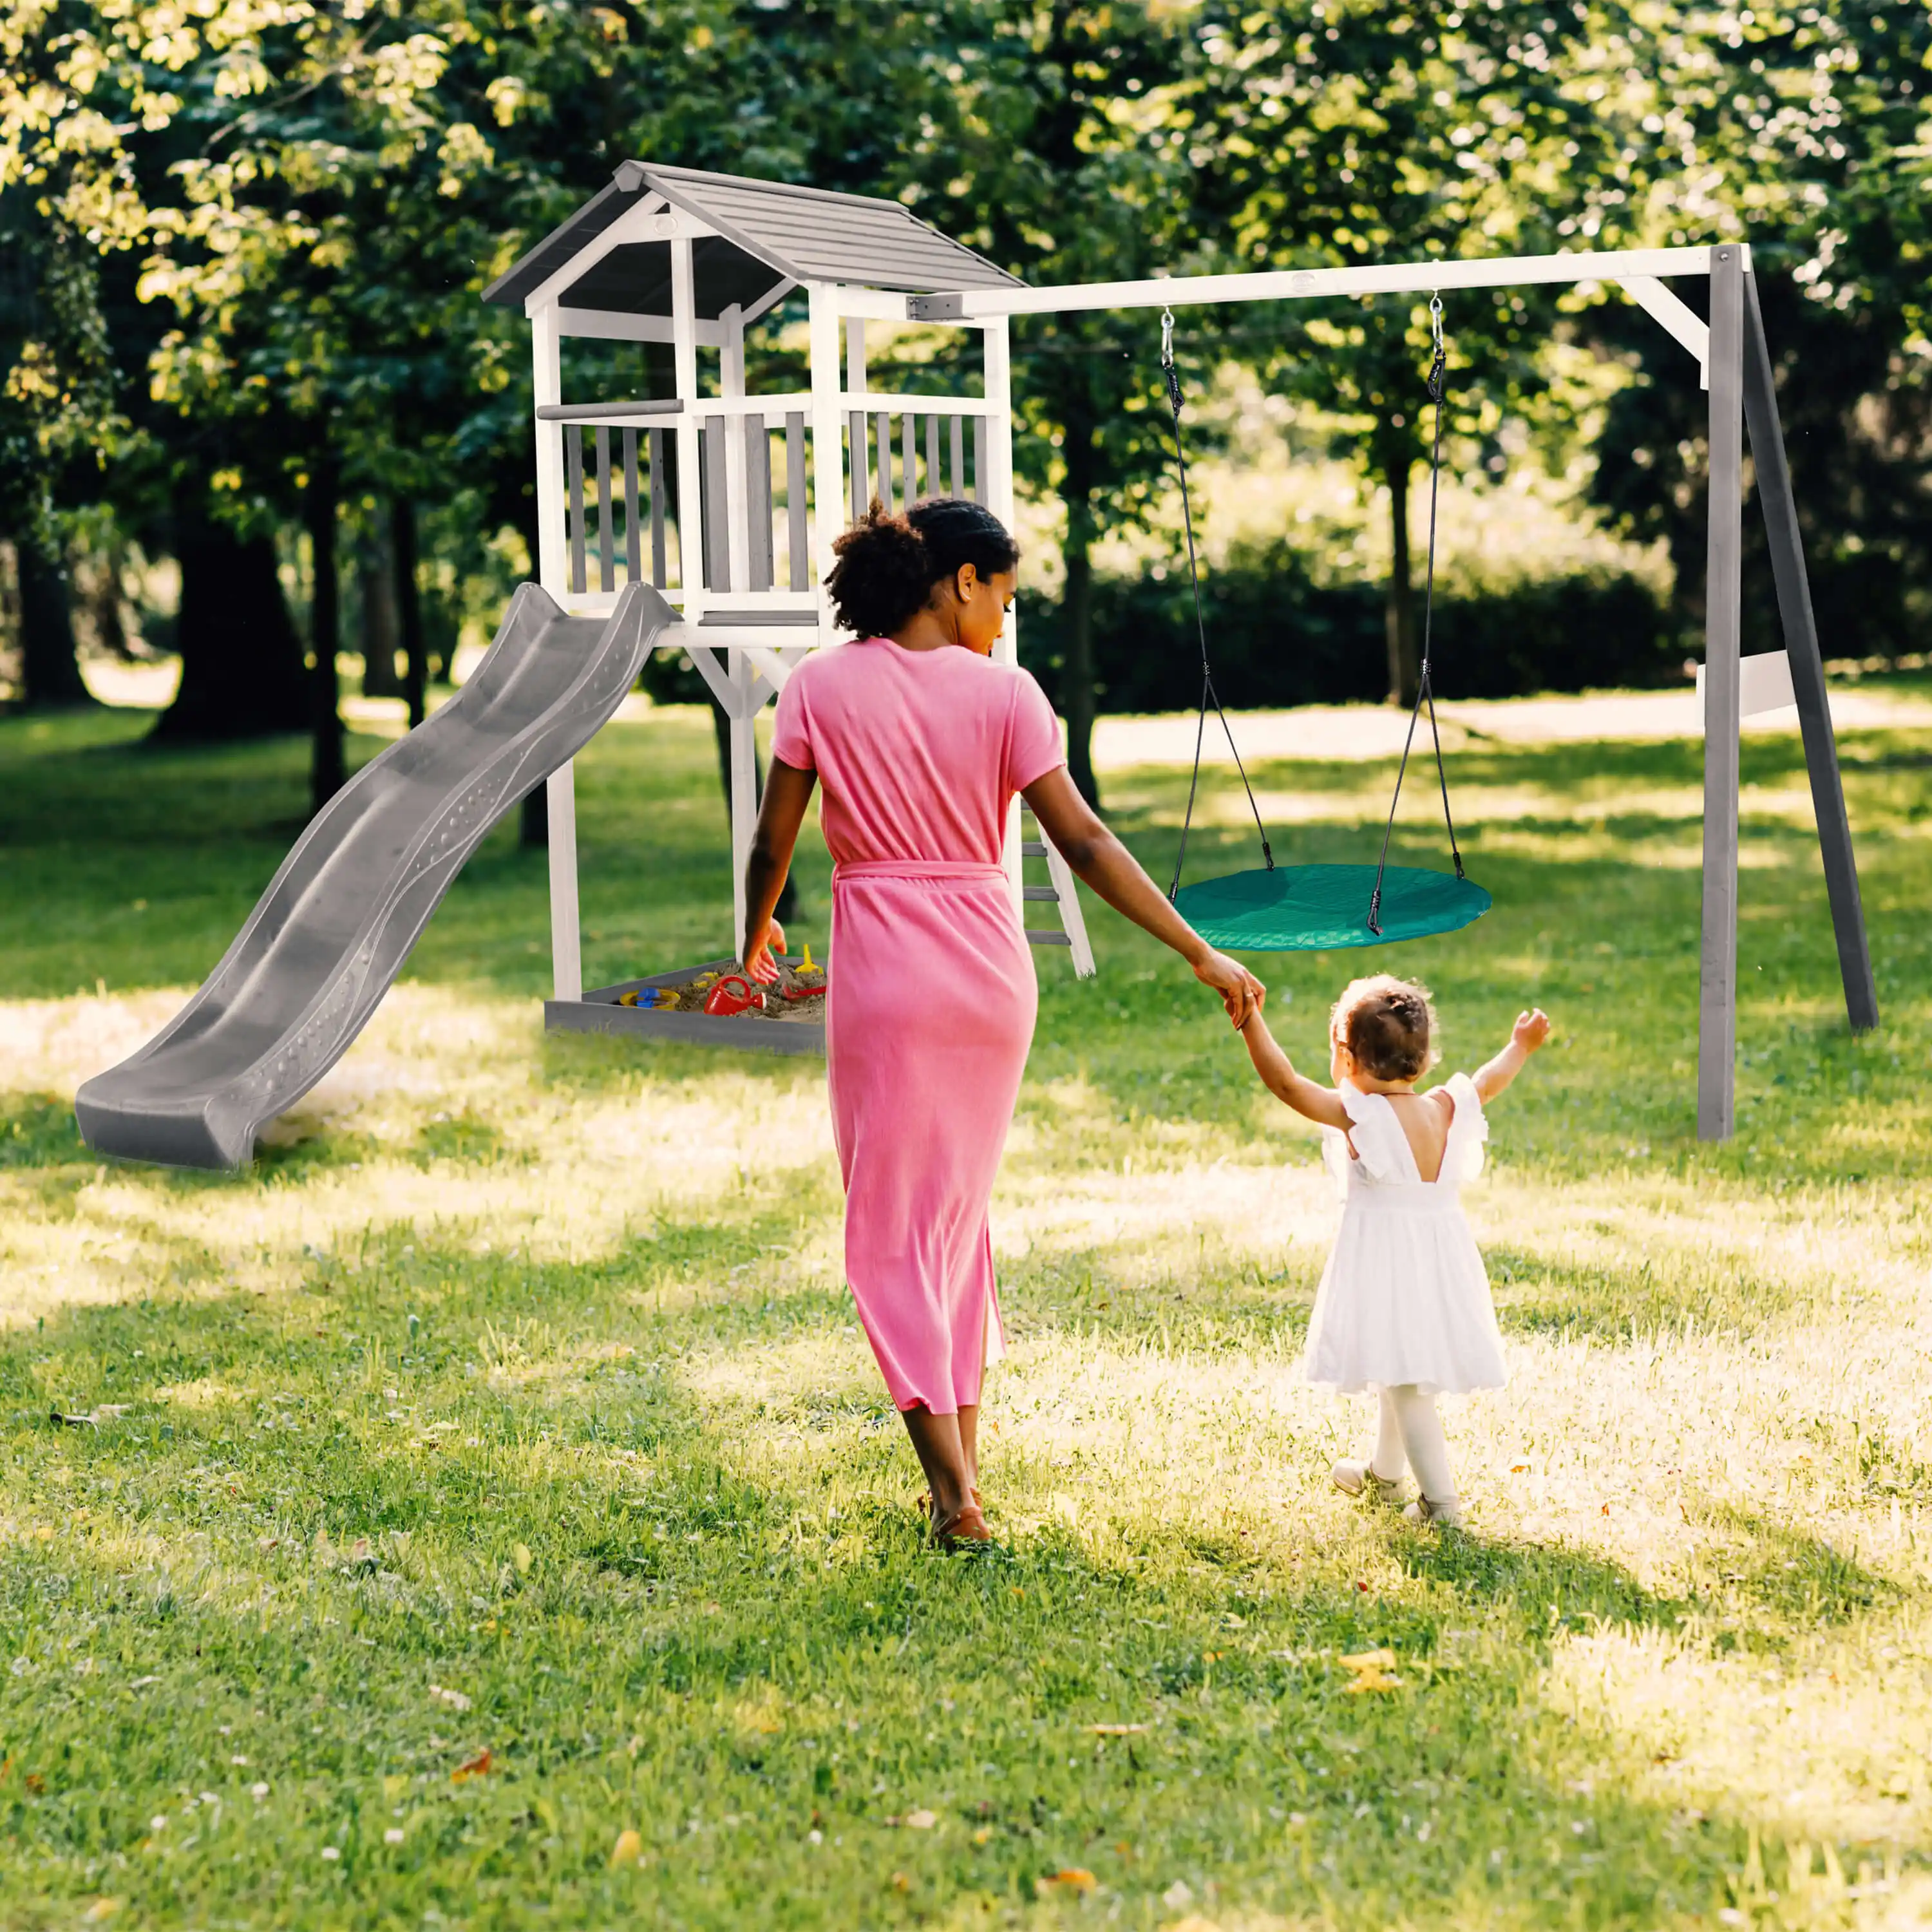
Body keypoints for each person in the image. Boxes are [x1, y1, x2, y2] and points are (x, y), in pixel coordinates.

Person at [742, 497, 1265, 1547]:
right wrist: (1197, 948)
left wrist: (752, 939)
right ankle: (961, 1480)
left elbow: (773, 842)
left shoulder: (817, 686)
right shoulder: (1008, 697)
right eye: (1005, 597)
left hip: (887, 977)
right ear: (961, 580)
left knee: (891, 1232)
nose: (1005, 621)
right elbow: (1084, 844)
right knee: (952, 1225)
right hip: (989, 976)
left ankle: (953, 1495)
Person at [1235, 975, 1551, 1528]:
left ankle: (1441, 1504)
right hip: (1438, 1259)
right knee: (1394, 1363)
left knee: (1406, 1383)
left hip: (1388, 1263)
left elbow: (1285, 1084)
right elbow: (1488, 1080)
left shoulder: (1361, 1116)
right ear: (1423, 1061)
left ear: (1347, 1057)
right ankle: (1384, 1476)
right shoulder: (1445, 1107)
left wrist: (1250, 1020)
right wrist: (1519, 1047)